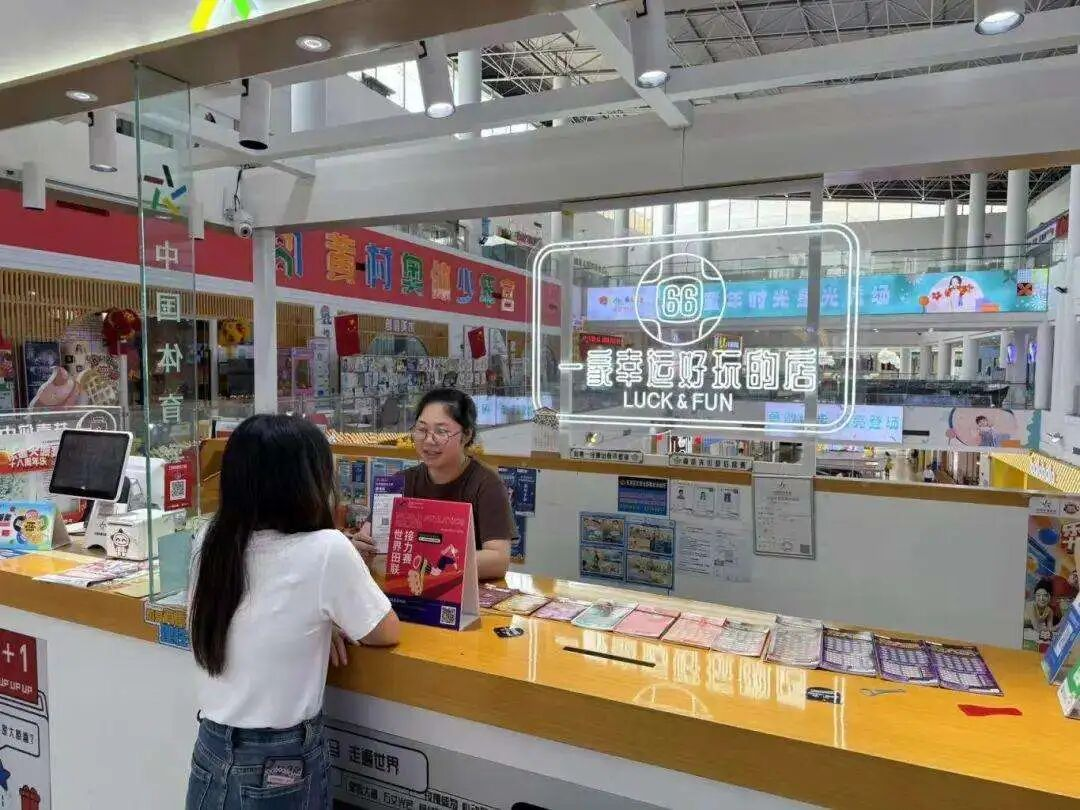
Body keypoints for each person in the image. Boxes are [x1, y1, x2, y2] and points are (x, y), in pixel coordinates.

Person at [186, 414, 399, 810]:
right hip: (280, 762)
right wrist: (329, 620)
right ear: (304, 483)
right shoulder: (327, 549)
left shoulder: (210, 538)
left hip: (211, 748)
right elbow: (384, 630)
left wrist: (319, 621)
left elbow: (262, 615)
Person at [355, 389, 515, 581]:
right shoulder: (399, 483)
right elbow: (370, 543)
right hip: (404, 590)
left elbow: (498, 560)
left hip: (462, 594)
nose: (429, 440)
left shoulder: (487, 484)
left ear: (466, 435)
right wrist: (361, 549)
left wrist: (428, 562)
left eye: (441, 431)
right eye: (422, 430)